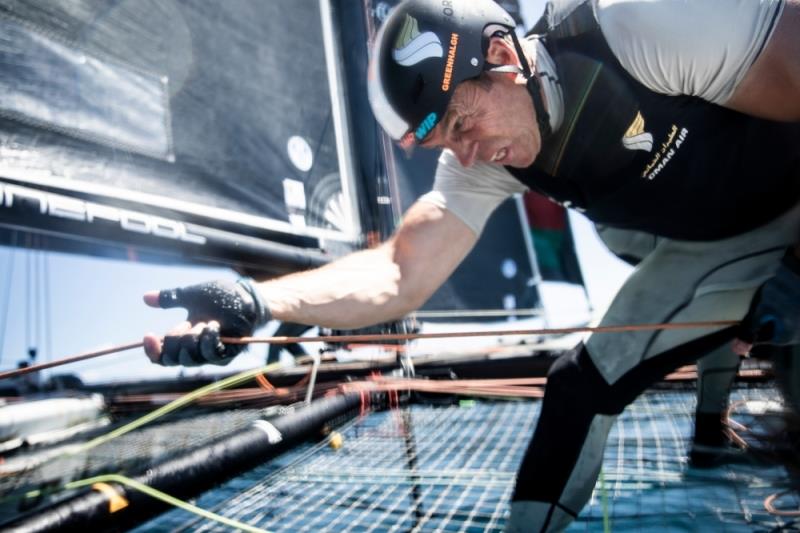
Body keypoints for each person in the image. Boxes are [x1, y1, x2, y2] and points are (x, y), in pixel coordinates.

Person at [143, 0, 800, 530]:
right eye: (445, 142)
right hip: (711, 247)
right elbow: (400, 273)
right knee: (577, 388)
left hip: (789, 215)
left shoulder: (643, 24)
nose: (468, 155)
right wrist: (260, 302)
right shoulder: (482, 162)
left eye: (461, 123)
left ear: (500, 53)